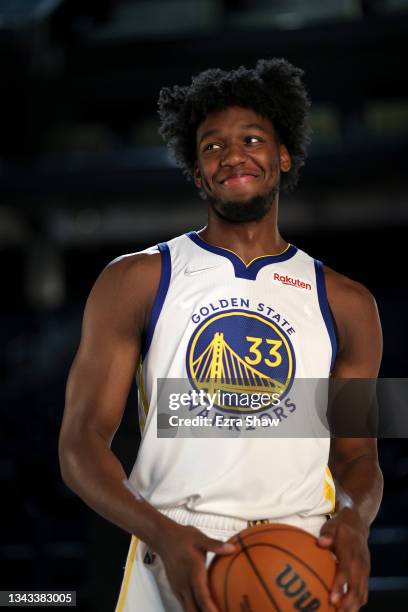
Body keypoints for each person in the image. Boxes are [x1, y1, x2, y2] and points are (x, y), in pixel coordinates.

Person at [59, 58, 384, 612]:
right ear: (195, 170)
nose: (233, 155)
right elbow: (78, 445)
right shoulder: (134, 279)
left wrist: (353, 520)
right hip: (175, 545)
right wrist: (159, 531)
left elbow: (359, 458)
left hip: (301, 551)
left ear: (283, 157)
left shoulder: (350, 304)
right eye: (211, 146)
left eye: (253, 139)